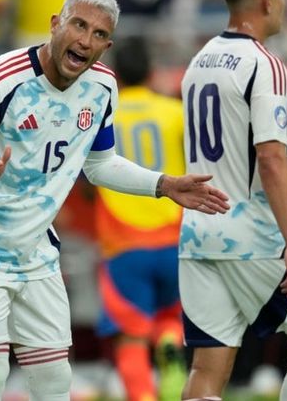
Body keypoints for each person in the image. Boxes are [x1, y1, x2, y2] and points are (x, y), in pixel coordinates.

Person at [0, 0, 230, 401]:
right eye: (79, 25)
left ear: (107, 46)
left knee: (55, 379)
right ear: (56, 24)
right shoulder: (2, 77)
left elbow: (99, 164)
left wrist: (164, 184)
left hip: (36, 251)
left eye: (99, 34)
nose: (86, 40)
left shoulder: (102, 86)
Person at [177, 0, 287, 401]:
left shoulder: (199, 61)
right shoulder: (264, 64)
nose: (284, 4)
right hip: (249, 234)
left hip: (198, 235)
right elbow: (270, 157)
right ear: (267, 1)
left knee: (207, 369)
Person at [93, 37, 187, 401]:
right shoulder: (174, 111)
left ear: (115, 75)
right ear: (151, 72)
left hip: (123, 243)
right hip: (173, 237)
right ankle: (169, 346)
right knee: (168, 317)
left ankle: (144, 395)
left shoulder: (101, 116)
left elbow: (88, 180)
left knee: (130, 336)